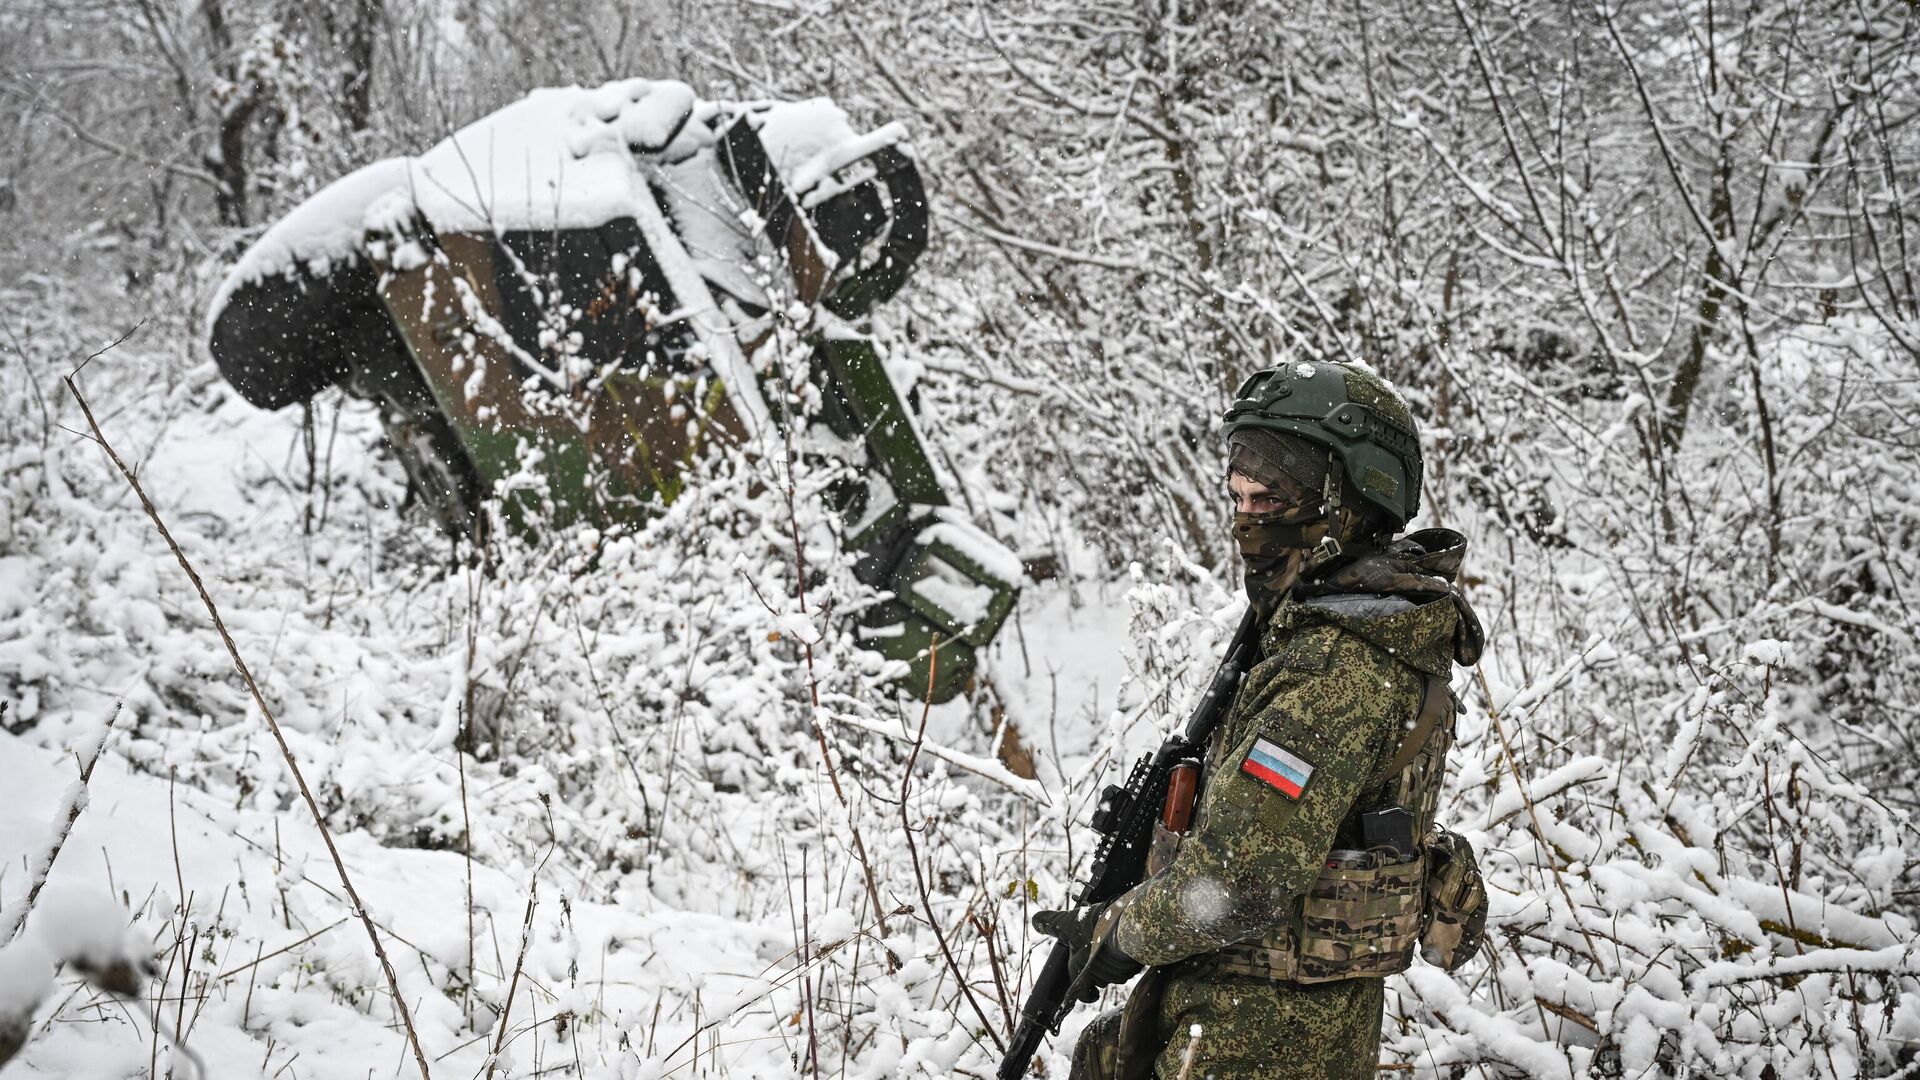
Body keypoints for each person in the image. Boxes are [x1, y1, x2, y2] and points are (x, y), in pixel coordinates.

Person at [1033, 360, 1490, 1080]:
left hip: (1263, 1040)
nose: (1248, 518)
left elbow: (1240, 882)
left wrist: (1119, 933)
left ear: (1350, 498)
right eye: (1238, 495)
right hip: (1253, 1023)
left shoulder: (1333, 670)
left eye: (1271, 496)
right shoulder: (1332, 631)